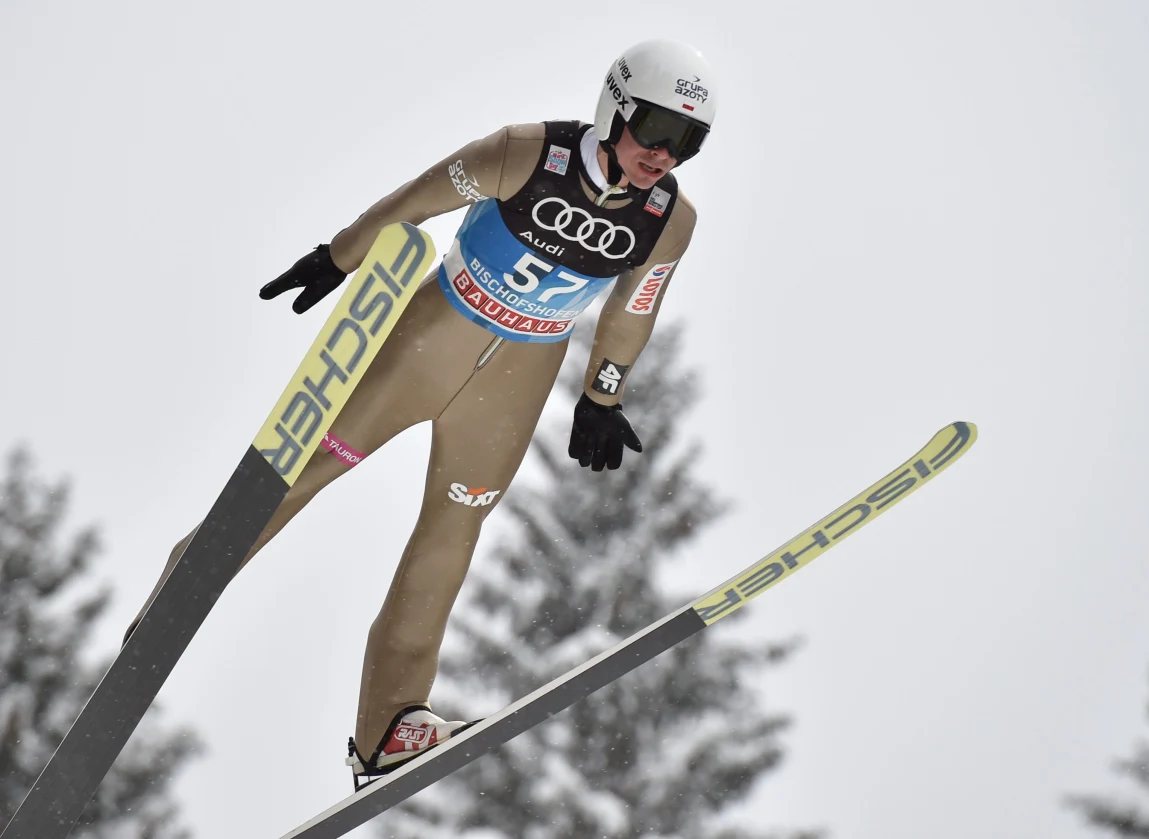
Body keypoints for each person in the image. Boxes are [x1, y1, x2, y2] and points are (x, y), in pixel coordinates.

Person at [126, 38, 717, 788]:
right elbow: (418, 202)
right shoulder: (529, 153)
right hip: (436, 332)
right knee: (309, 461)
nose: (665, 155)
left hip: (520, 374)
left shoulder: (670, 219)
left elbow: (636, 308)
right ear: (617, 107)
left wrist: (602, 394)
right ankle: (182, 588)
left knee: (452, 529)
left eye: (687, 142)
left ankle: (390, 724)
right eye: (657, 129)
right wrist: (339, 256)